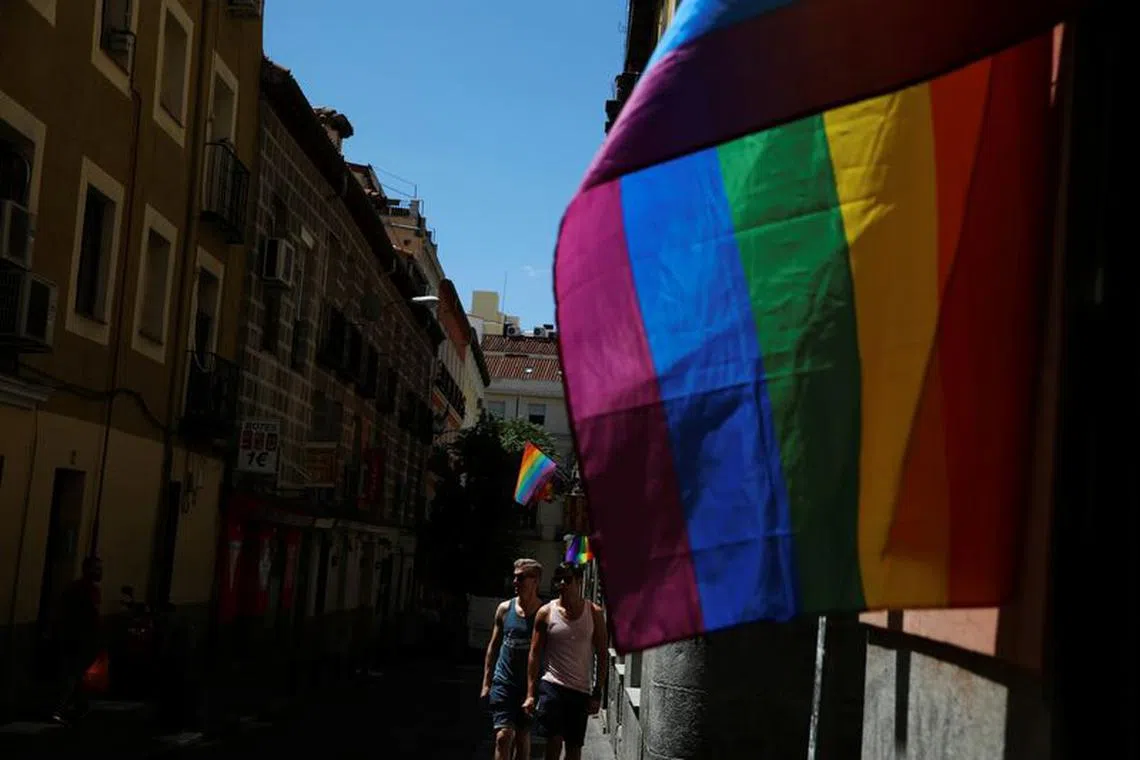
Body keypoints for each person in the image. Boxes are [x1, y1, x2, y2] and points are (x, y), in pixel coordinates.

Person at [524, 562, 607, 760]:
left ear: (579, 582)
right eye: (558, 579)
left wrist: (597, 693)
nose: (562, 584)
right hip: (552, 685)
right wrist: (530, 693)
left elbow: (602, 653)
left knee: (574, 748)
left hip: (580, 690)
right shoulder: (546, 613)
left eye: (567, 579)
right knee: (553, 743)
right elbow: (534, 654)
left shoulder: (594, 613)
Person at [481, 558, 544, 760]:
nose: (515, 582)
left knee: (522, 735)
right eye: (515, 577)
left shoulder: (545, 614)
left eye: (521, 578)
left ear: (535, 581)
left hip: (529, 687)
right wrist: (486, 682)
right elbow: (493, 646)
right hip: (504, 682)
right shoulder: (504, 609)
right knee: (503, 736)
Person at [52, 556, 103, 725]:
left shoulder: (74, 588)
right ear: (87, 569)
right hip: (80, 638)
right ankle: (60, 709)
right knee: (73, 674)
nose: (100, 572)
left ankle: (78, 705)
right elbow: (92, 615)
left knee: (76, 673)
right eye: (96, 568)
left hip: (74, 636)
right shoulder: (87, 590)